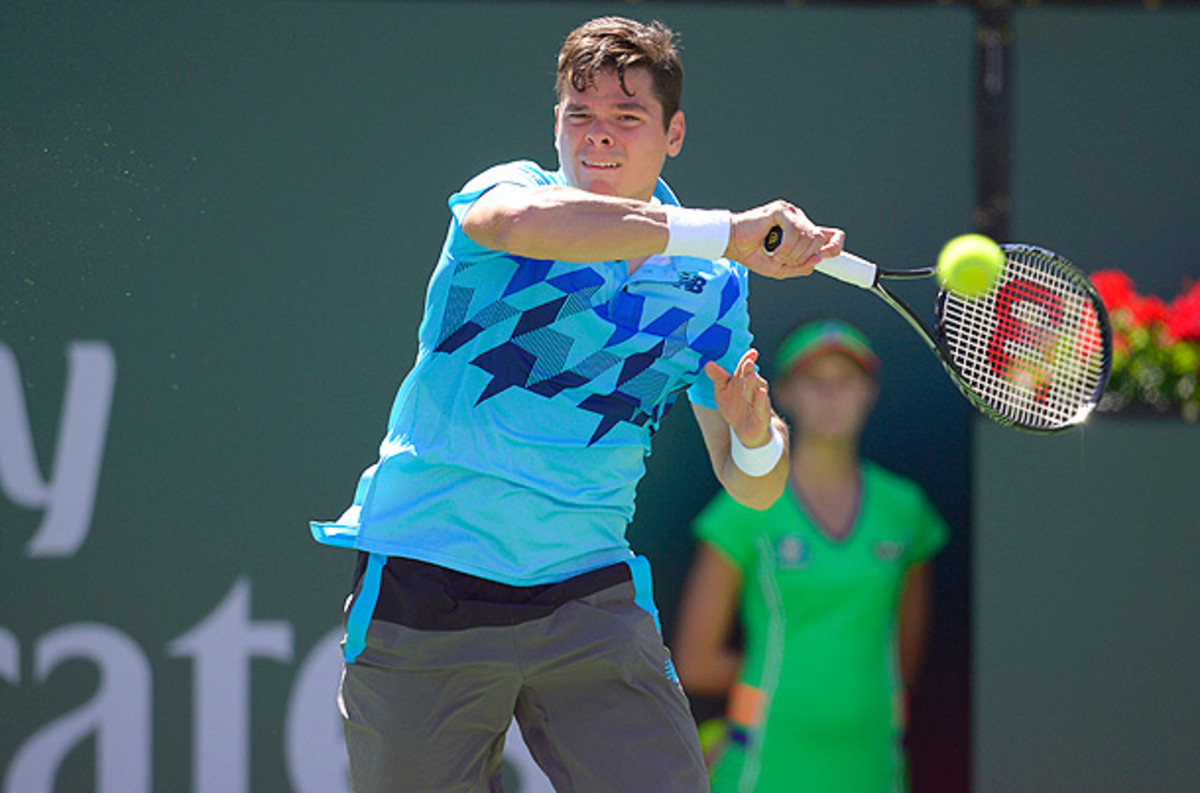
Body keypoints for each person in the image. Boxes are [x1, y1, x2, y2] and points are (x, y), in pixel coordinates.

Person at [310, 16, 845, 793]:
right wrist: (726, 230)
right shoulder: (511, 198)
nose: (599, 137)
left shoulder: (713, 288)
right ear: (555, 125)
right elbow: (524, 224)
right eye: (579, 115)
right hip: (430, 581)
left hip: (586, 595)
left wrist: (754, 431)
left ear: (674, 134)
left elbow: (753, 482)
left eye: (627, 118)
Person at [672, 319, 949, 793]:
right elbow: (695, 661)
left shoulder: (906, 511)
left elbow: (903, 658)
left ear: (870, 392)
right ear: (785, 393)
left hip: (872, 762)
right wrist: (792, 684)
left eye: (846, 381)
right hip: (766, 761)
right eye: (813, 382)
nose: (830, 396)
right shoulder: (745, 509)